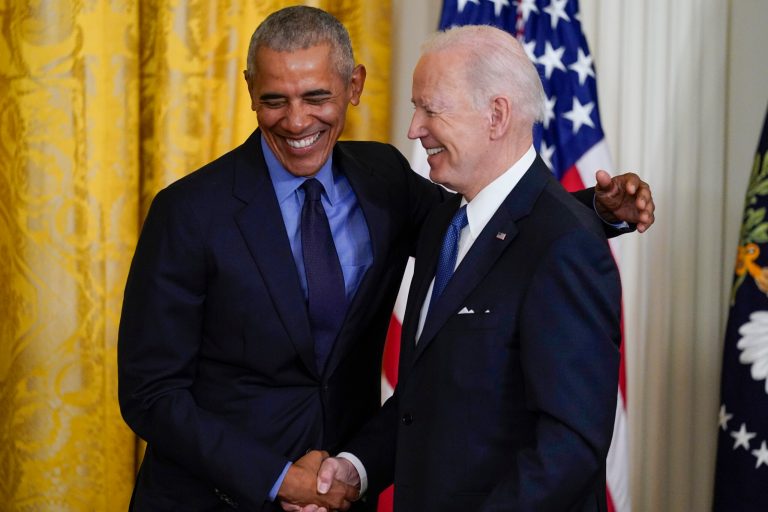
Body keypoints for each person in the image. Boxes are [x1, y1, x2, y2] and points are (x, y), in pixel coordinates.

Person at [117, 6, 653, 512]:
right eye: (275, 99)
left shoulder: (386, 179)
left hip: (348, 492)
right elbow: (150, 391)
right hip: (214, 497)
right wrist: (276, 476)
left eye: (317, 96)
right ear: (251, 93)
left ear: (354, 87)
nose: (296, 120)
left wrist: (595, 214)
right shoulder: (188, 212)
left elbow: (497, 227)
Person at [306, 25, 626, 512]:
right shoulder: (444, 224)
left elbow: (569, 446)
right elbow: (427, 395)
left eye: (430, 109)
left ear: (496, 115)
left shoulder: (564, 244)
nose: (414, 129)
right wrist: (357, 464)